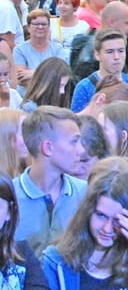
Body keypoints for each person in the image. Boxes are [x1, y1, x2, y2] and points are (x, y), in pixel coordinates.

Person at [41, 169, 128, 290]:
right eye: (101, 216)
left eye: (117, 220)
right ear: (88, 212)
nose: (107, 228)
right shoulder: (56, 261)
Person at [14, 106, 87, 254]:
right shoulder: (9, 198)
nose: (82, 150)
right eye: (74, 142)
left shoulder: (85, 192)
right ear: (48, 148)